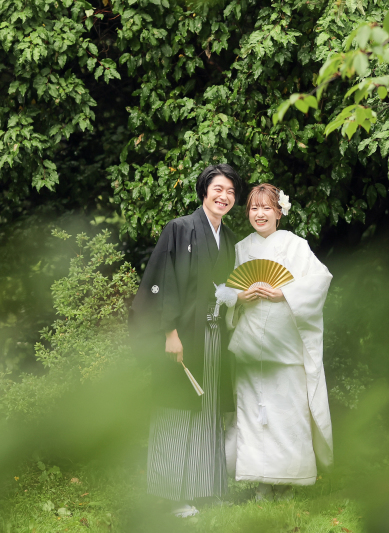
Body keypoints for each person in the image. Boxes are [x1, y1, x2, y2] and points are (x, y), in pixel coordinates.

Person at [129, 164, 241, 517]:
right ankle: (172, 494)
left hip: (212, 334)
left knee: (207, 410)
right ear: (204, 191)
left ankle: (205, 488)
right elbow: (163, 281)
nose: (224, 196)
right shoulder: (180, 229)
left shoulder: (229, 237)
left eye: (231, 192)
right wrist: (169, 333)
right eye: (218, 189)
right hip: (181, 334)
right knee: (177, 409)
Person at [224, 183, 333, 500]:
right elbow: (227, 292)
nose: (259, 214)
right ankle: (261, 481)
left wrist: (284, 292)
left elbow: (320, 279)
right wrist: (240, 297)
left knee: (287, 413)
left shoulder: (296, 246)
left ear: (279, 212)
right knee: (253, 413)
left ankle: (287, 482)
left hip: (284, 343)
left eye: (266, 208)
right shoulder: (241, 248)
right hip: (250, 341)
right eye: (253, 208)